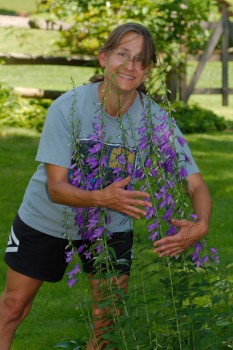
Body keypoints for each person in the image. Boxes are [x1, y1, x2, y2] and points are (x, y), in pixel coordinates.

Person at [0, 22, 211, 350]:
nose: (130, 65)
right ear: (103, 58)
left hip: (110, 226)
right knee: (13, 308)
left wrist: (201, 224)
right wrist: (103, 197)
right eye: (122, 54)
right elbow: (55, 188)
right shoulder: (67, 109)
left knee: (108, 319)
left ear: (148, 70)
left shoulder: (155, 120)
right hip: (47, 218)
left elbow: (194, 184)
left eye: (140, 59)